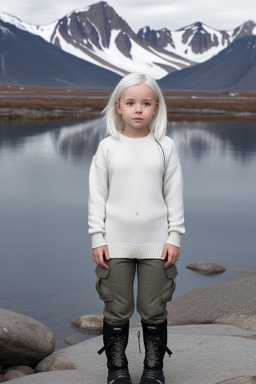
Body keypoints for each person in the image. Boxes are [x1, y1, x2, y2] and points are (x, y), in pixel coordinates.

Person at [88, 73, 185, 384]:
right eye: (131, 103)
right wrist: (97, 237)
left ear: (156, 108)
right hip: (114, 243)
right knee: (117, 310)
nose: (138, 109)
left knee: (153, 309)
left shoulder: (165, 146)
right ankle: (117, 371)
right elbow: (97, 196)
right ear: (118, 107)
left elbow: (174, 194)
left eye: (145, 103)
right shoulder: (107, 147)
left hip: (157, 244)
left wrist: (174, 236)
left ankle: (153, 370)